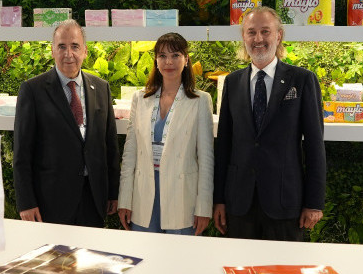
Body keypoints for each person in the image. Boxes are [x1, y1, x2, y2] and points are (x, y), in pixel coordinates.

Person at [213, 6, 326, 241]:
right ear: (243, 37)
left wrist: (314, 203)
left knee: (283, 265)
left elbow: (315, 145)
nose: (258, 39)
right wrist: (219, 200)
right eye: (251, 32)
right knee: (238, 263)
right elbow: (224, 146)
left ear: (279, 35)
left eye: (265, 31)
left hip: (285, 202)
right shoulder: (232, 83)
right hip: (239, 203)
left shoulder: (302, 80)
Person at [13, 19, 119, 227]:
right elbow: (22, 154)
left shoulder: (101, 88)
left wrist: (113, 192)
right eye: (62, 46)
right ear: (52, 51)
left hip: (93, 199)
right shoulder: (32, 90)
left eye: (75, 46)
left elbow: (110, 147)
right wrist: (26, 202)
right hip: (51, 202)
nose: (68, 54)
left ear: (85, 51)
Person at [117, 32, 214, 235]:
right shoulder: (140, 99)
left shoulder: (200, 101)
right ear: (156, 60)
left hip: (182, 198)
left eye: (175, 55)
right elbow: (129, 155)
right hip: (143, 196)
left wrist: (203, 208)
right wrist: (125, 200)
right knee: (144, 252)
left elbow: (206, 160)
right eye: (162, 56)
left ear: (186, 59)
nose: (169, 62)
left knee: (179, 253)